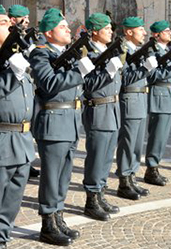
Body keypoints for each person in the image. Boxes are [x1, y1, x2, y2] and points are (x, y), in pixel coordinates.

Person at [29, 8, 95, 246]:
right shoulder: (40, 54)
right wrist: (79, 72)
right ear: (49, 33)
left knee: (65, 174)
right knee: (51, 175)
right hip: (53, 121)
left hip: (70, 121)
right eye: (63, 27)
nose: (68, 29)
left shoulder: (68, 53)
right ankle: (47, 223)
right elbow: (48, 83)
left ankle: (58, 216)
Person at [82, 13, 124, 221]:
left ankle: (100, 194)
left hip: (112, 109)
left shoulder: (108, 51)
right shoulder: (87, 53)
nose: (110, 31)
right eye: (106, 28)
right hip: (98, 109)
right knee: (96, 156)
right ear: (95, 31)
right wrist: (108, 72)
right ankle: (91, 200)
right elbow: (88, 85)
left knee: (107, 157)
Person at [0, 5, 35, 249]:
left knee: (12, 198)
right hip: (1, 138)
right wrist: (12, 73)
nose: (9, 26)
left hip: (22, 139)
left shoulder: (14, 55)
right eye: (3, 23)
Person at [115, 16, 155, 198]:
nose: (145, 33)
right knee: (128, 143)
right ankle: (124, 181)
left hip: (140, 98)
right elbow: (125, 79)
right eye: (141, 29)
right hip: (129, 98)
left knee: (137, 144)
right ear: (129, 32)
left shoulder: (139, 49)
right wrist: (145, 68)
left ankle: (132, 177)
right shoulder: (121, 51)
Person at [143, 20, 171, 186]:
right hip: (158, 95)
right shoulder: (151, 52)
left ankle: (155, 166)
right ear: (156, 34)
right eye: (166, 31)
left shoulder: (168, 50)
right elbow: (151, 76)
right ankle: (151, 168)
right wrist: (170, 69)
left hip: (169, 95)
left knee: (164, 135)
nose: (170, 33)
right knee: (157, 135)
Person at [8, 4, 40, 178]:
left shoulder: (25, 37)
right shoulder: (10, 38)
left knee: (27, 129)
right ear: (13, 19)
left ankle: (26, 163)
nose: (27, 21)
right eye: (23, 18)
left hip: (28, 86)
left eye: (27, 18)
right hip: (12, 88)